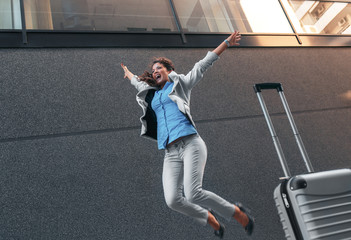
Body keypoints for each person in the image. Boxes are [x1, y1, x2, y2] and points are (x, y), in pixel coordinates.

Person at [121, 31, 254, 238]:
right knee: (173, 200)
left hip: (191, 143)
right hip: (170, 151)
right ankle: (210, 219)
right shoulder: (153, 94)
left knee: (193, 193)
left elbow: (202, 65)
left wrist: (226, 43)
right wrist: (129, 74)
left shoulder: (180, 84)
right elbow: (138, 84)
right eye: (153, 70)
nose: (155, 71)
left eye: (160, 68)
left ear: (169, 71)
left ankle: (237, 213)